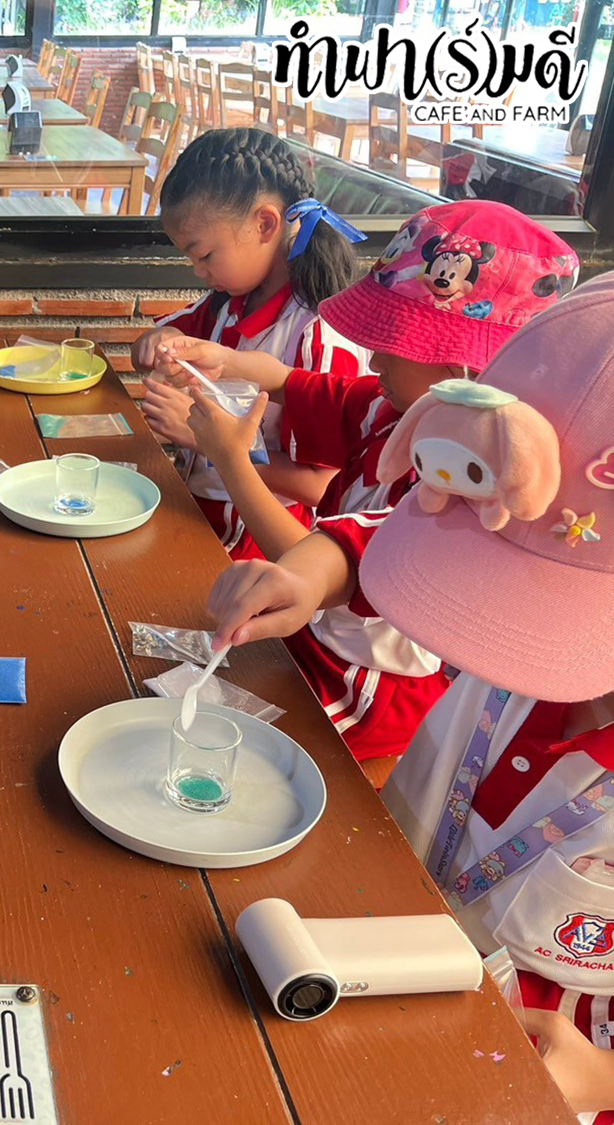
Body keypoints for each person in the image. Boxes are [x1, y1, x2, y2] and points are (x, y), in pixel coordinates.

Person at [207, 273, 614, 1120]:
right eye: (497, 576)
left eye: (545, 604)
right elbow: (387, 534)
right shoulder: (504, 601)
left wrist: (604, 1081)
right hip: (383, 958)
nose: (501, 630)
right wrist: (315, 568)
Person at [155, 202, 578, 761]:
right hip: (311, 640)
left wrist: (230, 458)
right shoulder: (390, 409)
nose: (374, 362)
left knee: (206, 745)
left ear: (463, 373)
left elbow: (351, 559)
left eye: (392, 345)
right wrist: (221, 360)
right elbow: (290, 381)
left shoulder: (464, 487)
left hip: (363, 689)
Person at [130, 127, 368, 561]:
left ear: (265, 224)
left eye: (204, 255)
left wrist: (203, 438)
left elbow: (322, 486)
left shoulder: (319, 334)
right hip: (200, 515)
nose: (198, 271)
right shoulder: (230, 301)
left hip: (264, 549)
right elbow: (152, 346)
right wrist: (161, 341)